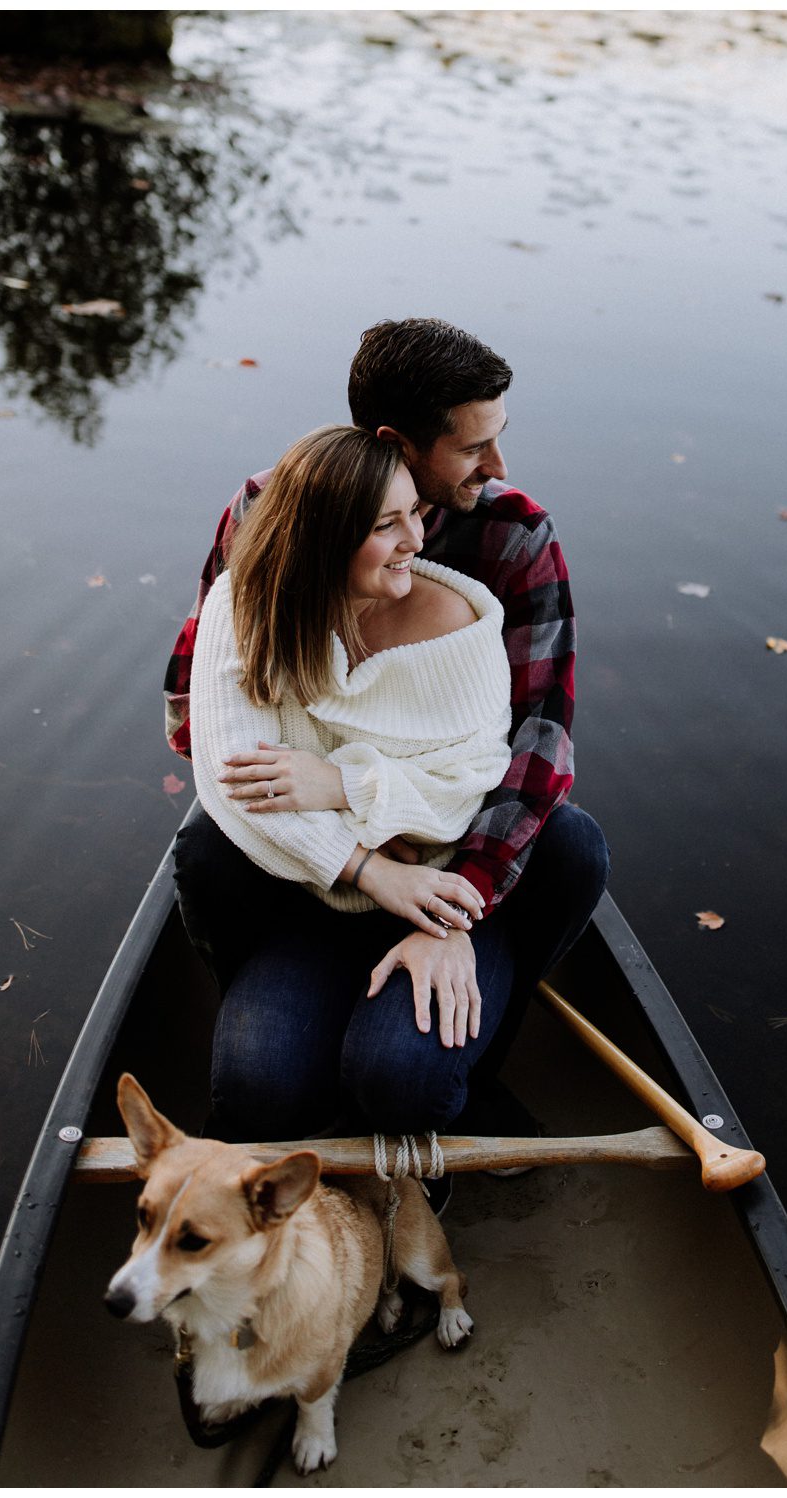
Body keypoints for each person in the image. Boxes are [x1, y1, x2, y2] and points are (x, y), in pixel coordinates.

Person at [165, 319, 609, 1137]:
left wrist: (452, 899)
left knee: (573, 843)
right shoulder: (270, 513)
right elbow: (197, 709)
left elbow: (538, 741)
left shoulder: (512, 535)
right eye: (473, 448)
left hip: (453, 849)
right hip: (308, 853)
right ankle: (279, 1008)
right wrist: (350, 853)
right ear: (395, 445)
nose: (499, 467)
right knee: (203, 850)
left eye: (497, 439)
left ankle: (470, 1070)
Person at [190, 425, 515, 1136]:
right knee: (253, 1088)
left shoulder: (460, 629)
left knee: (398, 1081)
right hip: (315, 892)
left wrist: (343, 783)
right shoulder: (240, 608)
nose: (416, 541)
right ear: (323, 540)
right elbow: (240, 789)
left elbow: (466, 789)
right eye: (386, 525)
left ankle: (475, 1082)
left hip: (441, 892)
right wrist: (366, 867)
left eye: (415, 515)